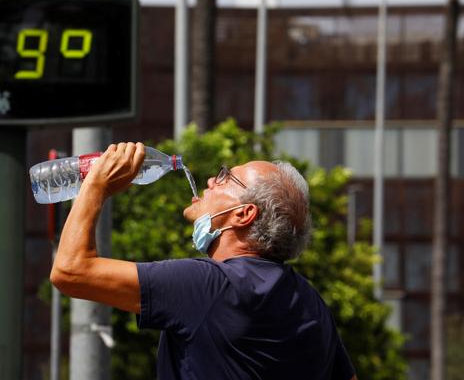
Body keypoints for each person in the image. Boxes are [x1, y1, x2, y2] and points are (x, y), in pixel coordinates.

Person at [50, 142, 357, 380]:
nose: (211, 179)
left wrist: (95, 186)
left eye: (225, 178)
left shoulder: (208, 286)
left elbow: (70, 270)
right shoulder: (309, 301)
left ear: (243, 214)